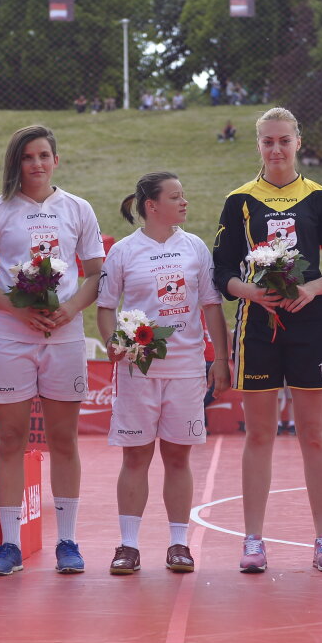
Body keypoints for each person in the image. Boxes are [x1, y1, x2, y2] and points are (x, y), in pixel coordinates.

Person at [212, 106, 322, 573]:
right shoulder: (240, 201)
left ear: (298, 142)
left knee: (313, 434)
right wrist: (252, 291)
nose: (276, 149)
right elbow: (221, 271)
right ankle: (253, 540)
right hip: (257, 323)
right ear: (258, 145)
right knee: (260, 434)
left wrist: (311, 288)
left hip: (309, 322)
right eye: (268, 141)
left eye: (284, 141)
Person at [0, 125, 104, 577]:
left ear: (56, 161)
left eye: (44, 155)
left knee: (63, 440)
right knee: (10, 440)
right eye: (28, 157)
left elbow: (96, 273)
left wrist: (68, 310)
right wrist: (20, 312)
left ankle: (67, 541)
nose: (37, 164)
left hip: (63, 336)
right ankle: (9, 543)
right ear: (16, 163)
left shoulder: (78, 208)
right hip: (10, 334)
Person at [95, 172, 230, 575]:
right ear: (152, 206)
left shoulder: (195, 248)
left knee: (177, 457)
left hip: (187, 370)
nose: (185, 203)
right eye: (176, 197)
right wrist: (114, 343)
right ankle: (128, 546)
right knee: (135, 457)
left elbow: (211, 306)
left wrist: (220, 359)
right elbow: (105, 309)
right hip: (138, 372)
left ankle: (178, 544)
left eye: (184, 196)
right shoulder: (122, 252)